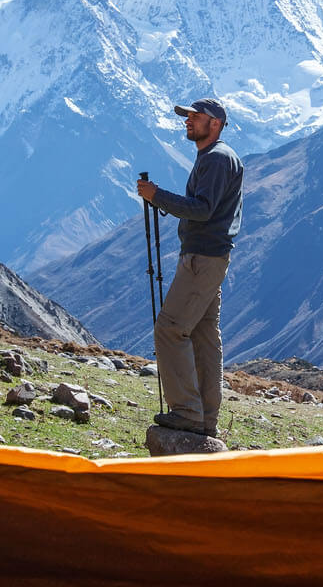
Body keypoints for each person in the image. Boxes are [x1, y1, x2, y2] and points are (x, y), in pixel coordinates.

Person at [135, 98, 243, 437]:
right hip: (212, 257)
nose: (188, 121)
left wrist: (157, 196)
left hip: (201, 258)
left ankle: (187, 412)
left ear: (216, 123)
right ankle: (206, 420)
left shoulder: (215, 159)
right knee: (203, 336)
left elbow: (203, 209)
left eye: (196, 117)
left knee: (170, 329)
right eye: (188, 116)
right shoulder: (218, 157)